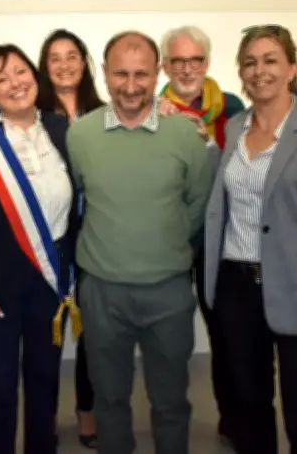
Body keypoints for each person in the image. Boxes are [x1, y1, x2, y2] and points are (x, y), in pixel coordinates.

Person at [204, 24, 297, 454]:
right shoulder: (234, 129)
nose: (259, 70)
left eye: (270, 59)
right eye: (250, 62)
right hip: (236, 286)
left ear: (292, 68)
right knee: (248, 408)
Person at [66, 30, 213, 454]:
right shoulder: (81, 135)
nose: (131, 86)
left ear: (160, 73)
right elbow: (80, 197)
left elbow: (197, 204)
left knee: (170, 400)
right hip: (102, 293)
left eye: (142, 75)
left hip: (167, 293)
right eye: (121, 74)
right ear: (104, 74)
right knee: (109, 399)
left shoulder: (186, 136)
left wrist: (159, 243)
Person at [0, 44, 79, 454]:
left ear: (36, 77)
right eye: (1, 79)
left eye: (21, 72)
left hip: (50, 281)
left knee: (45, 383)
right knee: (0, 387)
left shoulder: (63, 130)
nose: (15, 84)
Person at [155, 25, 245, 446]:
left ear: (207, 63)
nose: (187, 69)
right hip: (171, 240)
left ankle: (233, 417)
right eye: (177, 61)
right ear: (164, 66)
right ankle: (170, 419)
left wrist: (207, 141)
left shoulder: (231, 106)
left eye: (195, 60)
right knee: (170, 337)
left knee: (227, 333)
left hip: (222, 238)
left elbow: (243, 170)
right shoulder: (150, 111)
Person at [37, 28, 105, 449]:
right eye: (54, 58)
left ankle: (87, 411)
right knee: (49, 330)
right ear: (45, 68)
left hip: (97, 238)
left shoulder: (105, 112)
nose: (64, 64)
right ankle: (43, 414)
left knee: (92, 334)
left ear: (84, 62)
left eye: (71, 55)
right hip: (51, 241)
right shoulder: (34, 115)